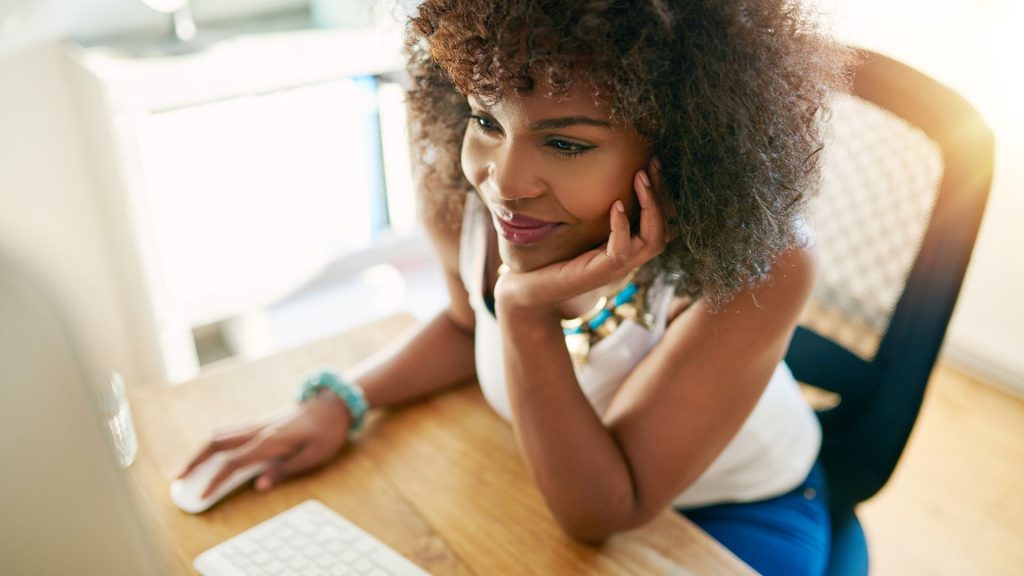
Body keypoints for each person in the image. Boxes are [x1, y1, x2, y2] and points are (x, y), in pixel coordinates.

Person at [179, 1, 852, 573]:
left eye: (565, 145)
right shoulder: (461, 199)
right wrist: (344, 400)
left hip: (735, 520)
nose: (503, 180)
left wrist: (526, 309)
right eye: (485, 121)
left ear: (678, 148)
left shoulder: (766, 267)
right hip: (539, 472)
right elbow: (466, 325)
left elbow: (602, 509)